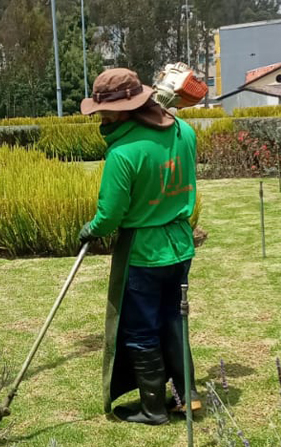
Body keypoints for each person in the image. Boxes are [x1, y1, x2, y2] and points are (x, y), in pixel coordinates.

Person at [78, 68, 199, 426]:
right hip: (180, 245)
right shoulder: (184, 132)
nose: (99, 117)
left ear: (122, 110)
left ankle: (153, 407)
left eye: (103, 111)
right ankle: (185, 395)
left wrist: (91, 229)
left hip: (144, 253)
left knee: (141, 328)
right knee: (174, 318)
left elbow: (111, 214)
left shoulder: (124, 153)